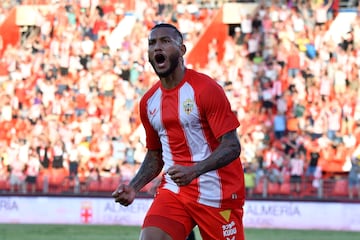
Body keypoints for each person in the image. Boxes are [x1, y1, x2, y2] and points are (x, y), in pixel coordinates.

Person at [112, 23, 245, 240]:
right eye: (152, 43)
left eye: (165, 41)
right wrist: (134, 187)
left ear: (182, 50)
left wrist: (194, 170)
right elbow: (155, 155)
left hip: (217, 193)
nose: (157, 47)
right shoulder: (149, 102)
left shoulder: (205, 89)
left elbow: (232, 146)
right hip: (176, 191)